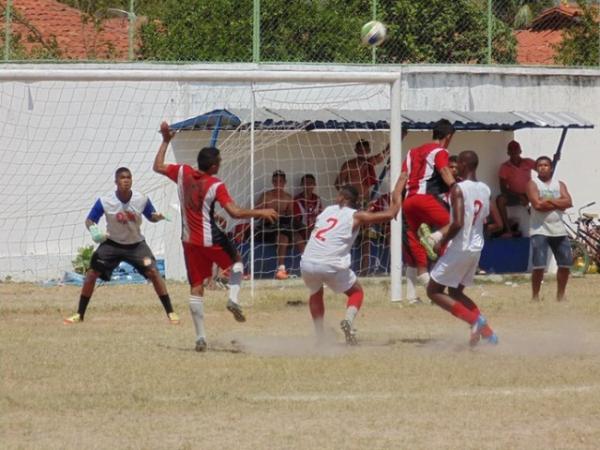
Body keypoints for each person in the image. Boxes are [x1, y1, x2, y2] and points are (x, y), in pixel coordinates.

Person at [154, 122, 278, 352]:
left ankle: (200, 337)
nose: (221, 164)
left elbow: (158, 166)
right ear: (212, 166)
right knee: (238, 263)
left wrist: (166, 140)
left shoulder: (182, 172)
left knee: (196, 286)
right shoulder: (215, 184)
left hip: (188, 240)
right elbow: (235, 212)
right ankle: (233, 298)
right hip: (210, 238)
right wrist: (261, 211)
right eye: (219, 162)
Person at [63, 167, 179, 325]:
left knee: (152, 270)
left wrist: (157, 217)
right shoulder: (105, 201)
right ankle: (79, 314)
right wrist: (94, 231)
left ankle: (171, 312)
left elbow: (151, 216)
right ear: (116, 182)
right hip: (112, 245)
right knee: (91, 274)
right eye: (122, 178)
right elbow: (89, 220)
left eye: (129, 177)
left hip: (136, 246)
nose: (126, 180)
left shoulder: (141, 199)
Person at [300, 185, 401, 345]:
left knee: (315, 292)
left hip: (307, 261)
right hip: (330, 263)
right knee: (357, 292)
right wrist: (398, 193)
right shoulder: (356, 216)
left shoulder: (327, 211)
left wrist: (363, 212)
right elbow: (390, 214)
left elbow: (342, 221)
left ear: (342, 198)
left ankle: (320, 337)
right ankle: (348, 320)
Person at [426, 151, 502, 346]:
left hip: (460, 246)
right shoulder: (485, 189)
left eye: (457, 162)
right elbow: (485, 220)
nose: (455, 166)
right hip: (476, 247)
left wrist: (441, 241)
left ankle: (475, 321)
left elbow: (458, 223)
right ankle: (488, 334)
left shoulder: (458, 189)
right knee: (456, 292)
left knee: (433, 290)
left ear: (464, 164)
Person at [393, 119, 456, 285]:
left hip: (409, 202)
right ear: (448, 136)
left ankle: (427, 283)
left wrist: (394, 207)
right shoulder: (439, 151)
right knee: (455, 224)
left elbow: (401, 179)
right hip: (426, 198)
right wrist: (455, 188)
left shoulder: (411, 152)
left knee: (415, 243)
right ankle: (434, 240)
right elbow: (443, 170)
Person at [335, 139, 390, 275]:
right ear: (356, 150)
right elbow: (337, 183)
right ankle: (340, 268)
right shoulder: (349, 165)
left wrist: (396, 140)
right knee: (346, 235)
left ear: (368, 151)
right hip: (351, 205)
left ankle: (365, 271)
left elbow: (383, 155)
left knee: (367, 236)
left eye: (365, 150)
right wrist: (348, 197)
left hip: (366, 204)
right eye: (360, 150)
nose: (362, 152)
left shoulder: (369, 162)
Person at [526, 156, 573, 302]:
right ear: (536, 168)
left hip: (558, 229)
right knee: (539, 265)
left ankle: (560, 295)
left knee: (565, 264)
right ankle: (535, 296)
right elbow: (537, 205)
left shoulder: (559, 184)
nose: (543, 167)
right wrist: (559, 203)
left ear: (551, 167)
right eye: (539, 165)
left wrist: (549, 201)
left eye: (546, 165)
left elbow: (569, 202)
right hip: (539, 229)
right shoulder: (532, 184)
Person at [256, 170, 295, 280]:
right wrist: (267, 213)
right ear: (272, 182)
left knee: (298, 236)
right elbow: (256, 213)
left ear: (285, 182)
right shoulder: (266, 196)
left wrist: (283, 215)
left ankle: (308, 267)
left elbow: (291, 215)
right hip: (267, 225)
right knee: (282, 237)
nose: (277, 183)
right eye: (275, 181)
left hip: (282, 225)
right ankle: (281, 269)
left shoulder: (288, 197)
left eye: (280, 181)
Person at [497, 140, 536, 237]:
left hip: (529, 193)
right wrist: (518, 195)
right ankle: (508, 229)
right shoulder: (505, 167)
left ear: (520, 151)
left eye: (516, 151)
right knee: (500, 199)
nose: (514, 153)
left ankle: (541, 227)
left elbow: (543, 169)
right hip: (514, 195)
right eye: (512, 151)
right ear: (508, 153)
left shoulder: (528, 162)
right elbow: (503, 188)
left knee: (542, 198)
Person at [293, 173, 323, 253]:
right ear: (302, 184)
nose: (308, 185)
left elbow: (321, 217)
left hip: (315, 229)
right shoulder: (297, 200)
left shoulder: (317, 199)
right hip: (302, 231)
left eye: (311, 183)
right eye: (306, 183)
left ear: (314, 184)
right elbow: (295, 221)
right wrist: (308, 229)